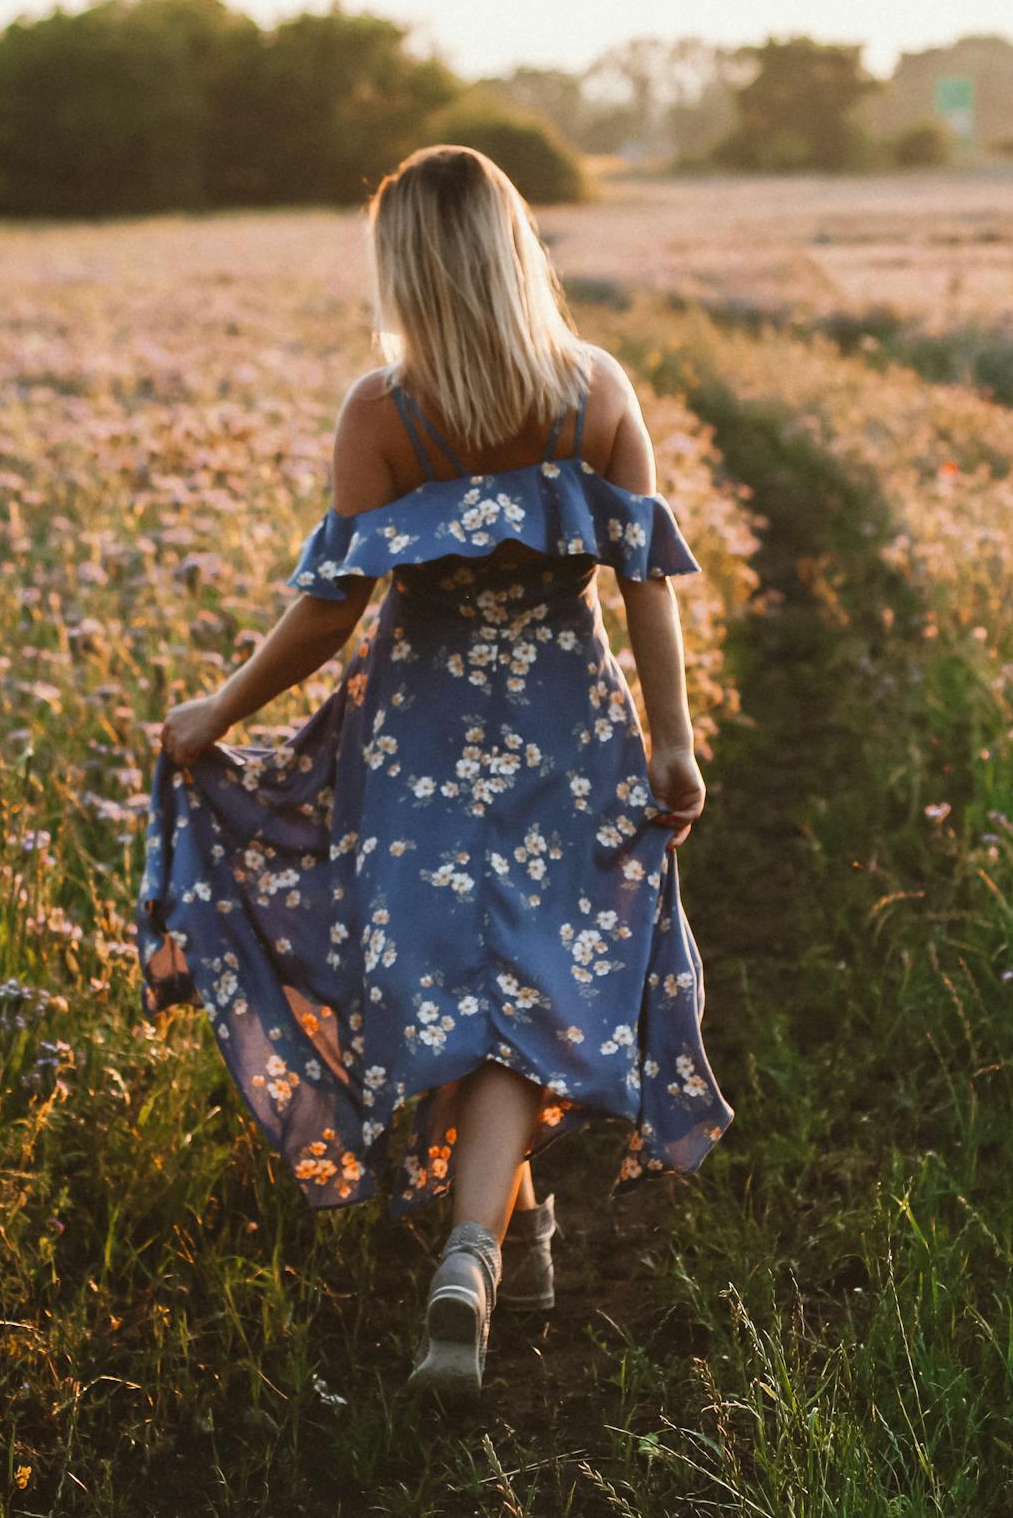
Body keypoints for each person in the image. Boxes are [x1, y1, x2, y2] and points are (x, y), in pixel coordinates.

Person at [137, 144, 732, 1393]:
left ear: (402, 263)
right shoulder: (593, 389)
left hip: (416, 741)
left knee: (462, 983)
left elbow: (328, 612)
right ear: (517, 246)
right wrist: (670, 739)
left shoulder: (384, 413)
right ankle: (508, 1229)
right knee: (527, 978)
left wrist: (221, 706)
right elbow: (645, 589)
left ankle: (474, 1250)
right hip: (569, 731)